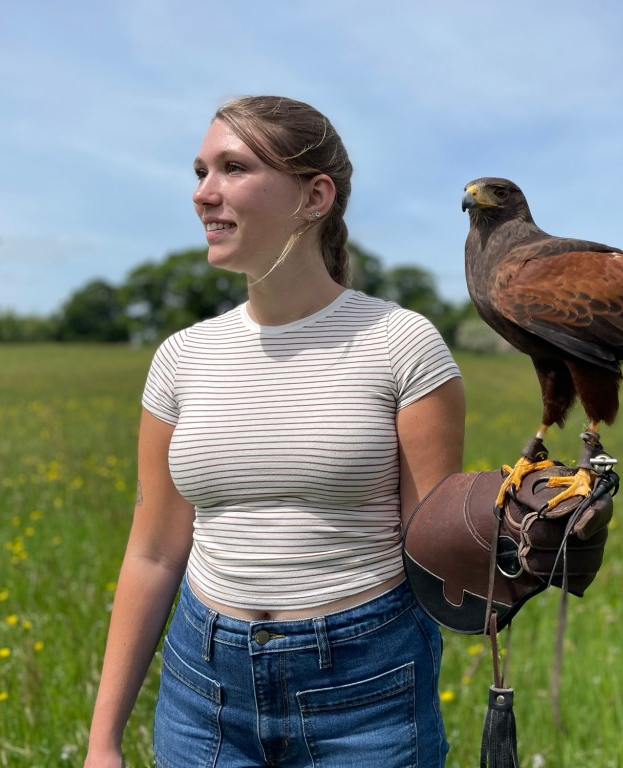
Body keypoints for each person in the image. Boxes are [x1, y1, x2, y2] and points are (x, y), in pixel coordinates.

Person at [85, 96, 465, 768]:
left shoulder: (403, 344)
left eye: (233, 168)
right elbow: (152, 553)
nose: (204, 194)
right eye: (200, 171)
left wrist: (510, 541)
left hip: (367, 690)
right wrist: (103, 742)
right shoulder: (180, 358)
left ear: (314, 196)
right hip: (203, 691)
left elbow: (435, 555)